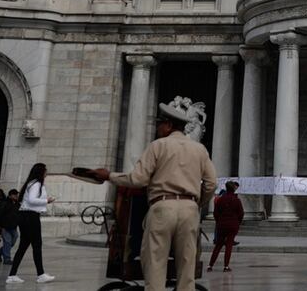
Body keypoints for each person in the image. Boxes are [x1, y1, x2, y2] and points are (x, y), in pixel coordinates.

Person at [92, 99, 218, 291]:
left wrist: (109, 175)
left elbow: (138, 179)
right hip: (189, 209)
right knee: (186, 268)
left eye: (160, 124)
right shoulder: (199, 149)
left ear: (168, 125)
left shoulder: (158, 146)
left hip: (162, 207)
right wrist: (197, 203)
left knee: (155, 264)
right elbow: (211, 183)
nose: (157, 127)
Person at [7, 163, 56, 284]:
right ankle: (41, 274)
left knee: (23, 246)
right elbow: (32, 200)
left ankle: (12, 275)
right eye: (45, 171)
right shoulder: (36, 184)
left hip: (25, 216)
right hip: (31, 217)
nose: (46, 173)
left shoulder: (30, 183)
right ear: (41, 172)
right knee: (37, 245)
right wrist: (46, 200)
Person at [209, 182, 243, 273]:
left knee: (218, 246)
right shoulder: (236, 200)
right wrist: (237, 223)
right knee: (229, 246)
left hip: (221, 225)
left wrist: (219, 221)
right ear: (234, 189)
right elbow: (241, 214)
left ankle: (210, 265)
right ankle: (226, 266)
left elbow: (215, 213)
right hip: (232, 225)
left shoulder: (220, 200)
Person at [0, 189, 21, 265]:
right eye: (14, 194)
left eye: (16, 194)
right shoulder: (4, 204)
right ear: (10, 195)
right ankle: (7, 259)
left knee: (13, 241)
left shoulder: (17, 204)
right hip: (5, 227)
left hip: (14, 227)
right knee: (7, 242)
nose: (16, 196)